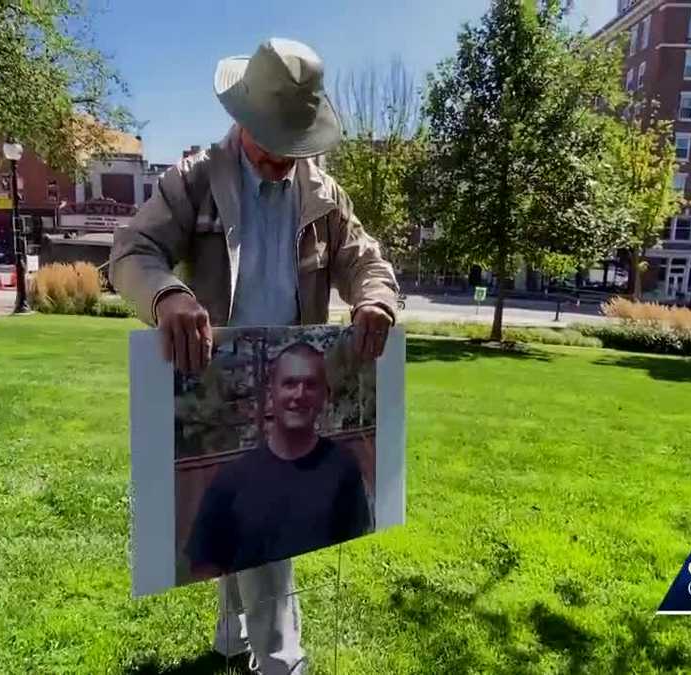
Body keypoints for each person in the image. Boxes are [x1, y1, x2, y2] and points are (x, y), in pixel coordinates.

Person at [110, 37, 398, 675]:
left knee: (269, 526)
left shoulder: (325, 196)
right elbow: (131, 252)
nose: (280, 161)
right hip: (216, 380)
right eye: (271, 141)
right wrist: (168, 297)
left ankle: (252, 649)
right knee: (245, 512)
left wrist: (375, 300)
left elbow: (366, 262)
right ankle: (271, 657)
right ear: (240, 117)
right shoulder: (191, 180)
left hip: (294, 380)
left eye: (293, 144)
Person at [185, 342, 372, 579]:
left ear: (325, 396)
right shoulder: (230, 479)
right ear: (271, 393)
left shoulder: (343, 467)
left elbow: (355, 546)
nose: (300, 394)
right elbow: (204, 567)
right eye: (290, 383)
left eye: (311, 385)